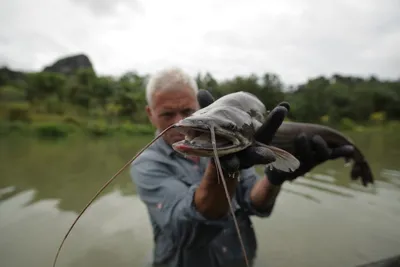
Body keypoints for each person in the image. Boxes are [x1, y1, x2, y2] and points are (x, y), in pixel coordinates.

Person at [130, 67, 354, 267]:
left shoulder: (235, 142)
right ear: (150, 113)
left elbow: (253, 202)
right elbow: (186, 233)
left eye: (188, 112)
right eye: (167, 114)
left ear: (198, 107)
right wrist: (222, 169)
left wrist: (274, 178)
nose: (179, 122)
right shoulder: (147, 164)